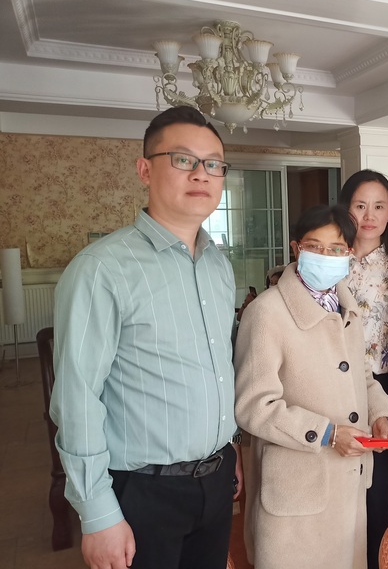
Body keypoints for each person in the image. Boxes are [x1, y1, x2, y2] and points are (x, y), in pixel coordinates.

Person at [50, 106, 243, 569]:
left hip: (216, 480)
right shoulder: (102, 269)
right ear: (145, 170)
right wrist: (97, 513)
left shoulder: (218, 265)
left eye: (213, 163)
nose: (201, 174)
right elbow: (77, 399)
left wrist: (228, 448)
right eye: (183, 159)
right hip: (142, 491)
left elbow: (217, 369)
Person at [234, 204, 388, 569]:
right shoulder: (267, 312)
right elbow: (253, 405)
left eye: (336, 249)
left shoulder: (347, 308)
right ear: (296, 248)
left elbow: (362, 376)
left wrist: (380, 415)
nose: (325, 256)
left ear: (349, 253)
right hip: (297, 489)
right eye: (314, 246)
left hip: (347, 481)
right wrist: (327, 433)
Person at [339, 170, 388, 569]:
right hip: (333, 384)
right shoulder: (329, 260)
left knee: (375, 489)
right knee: (336, 486)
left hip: (381, 388)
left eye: (379, 206)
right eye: (360, 205)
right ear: (345, 208)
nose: (369, 216)